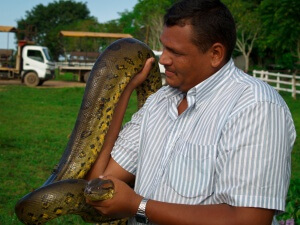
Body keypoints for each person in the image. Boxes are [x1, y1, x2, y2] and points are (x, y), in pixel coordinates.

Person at [86, 0, 296, 224]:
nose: (163, 59)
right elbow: (100, 180)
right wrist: (126, 90)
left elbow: (248, 219)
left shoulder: (256, 106)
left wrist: (137, 205)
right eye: (164, 47)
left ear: (215, 54)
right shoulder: (159, 101)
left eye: (175, 52)